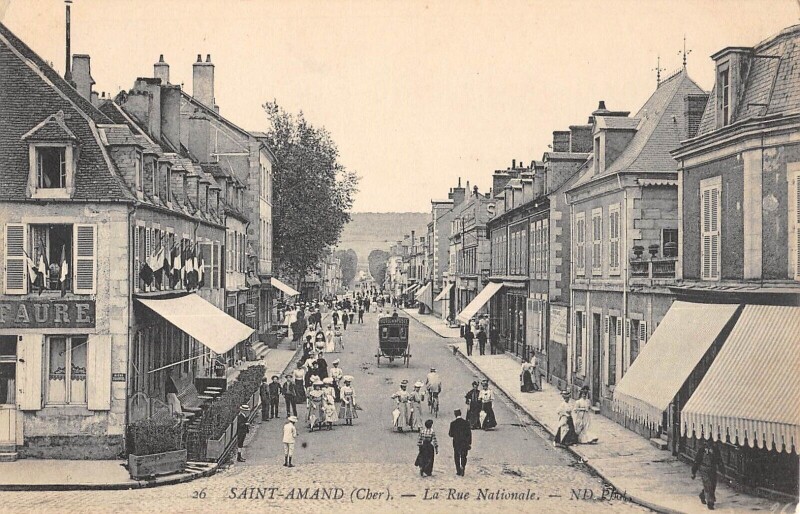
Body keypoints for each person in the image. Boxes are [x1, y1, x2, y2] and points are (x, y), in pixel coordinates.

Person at [692, 439, 724, 510]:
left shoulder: (715, 450)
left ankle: (702, 495)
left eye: (710, 442)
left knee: (713, 484)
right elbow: (697, 461)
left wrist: (722, 471)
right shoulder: (702, 449)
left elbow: (719, 460)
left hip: (713, 469)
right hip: (704, 469)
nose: (708, 444)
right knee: (708, 484)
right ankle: (710, 503)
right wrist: (693, 472)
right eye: (706, 442)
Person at [448, 409, 472, 476]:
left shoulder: (453, 423)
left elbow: (450, 434)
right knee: (464, 456)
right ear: (460, 414)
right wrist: (469, 443)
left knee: (457, 456)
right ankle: (463, 466)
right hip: (465, 442)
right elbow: (469, 434)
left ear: (455, 415)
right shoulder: (466, 423)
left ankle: (458, 470)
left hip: (456, 442)